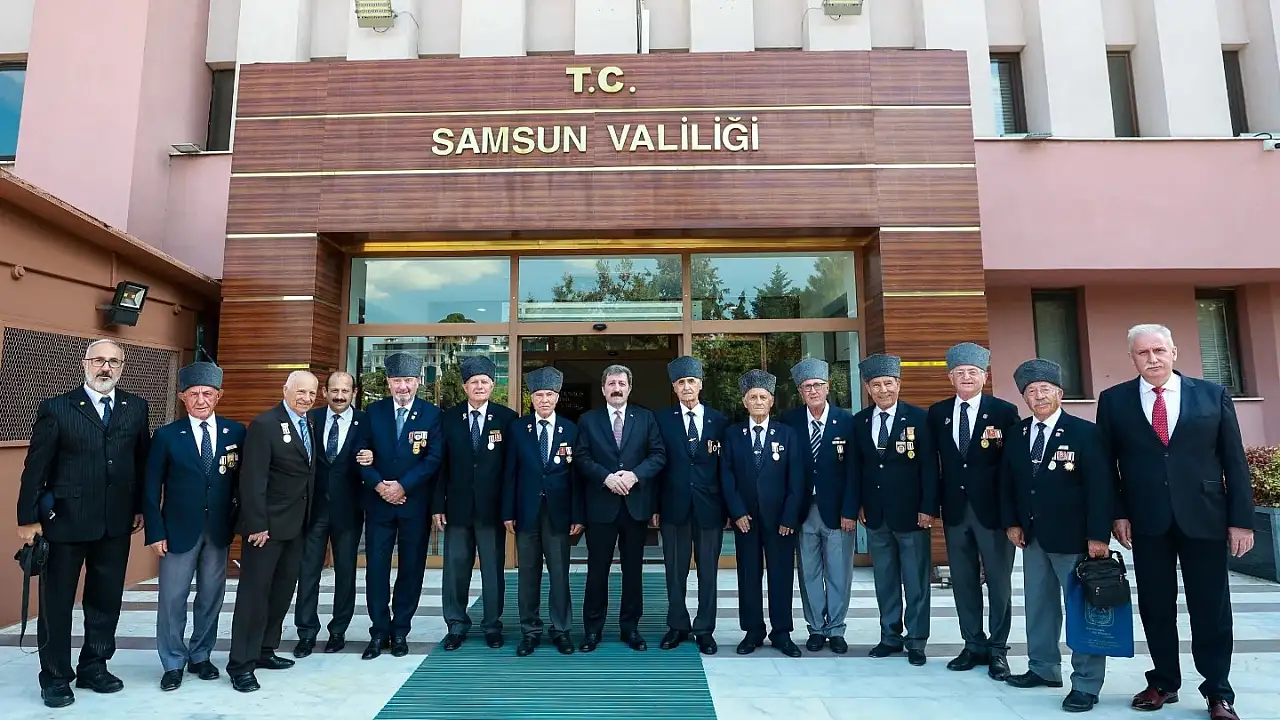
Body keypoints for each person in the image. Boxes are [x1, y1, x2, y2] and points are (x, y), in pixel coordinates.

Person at [1097, 324, 1252, 720]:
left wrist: (1242, 521)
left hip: (1205, 516)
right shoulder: (1114, 401)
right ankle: (1164, 681)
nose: (1152, 359)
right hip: (1147, 519)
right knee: (1155, 605)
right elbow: (1106, 466)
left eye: (1159, 350)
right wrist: (1117, 513)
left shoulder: (1213, 395)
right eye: (1143, 353)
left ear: (1174, 352)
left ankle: (1218, 691)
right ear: (1132, 358)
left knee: (1211, 607)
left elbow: (1234, 461)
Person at [16, 339, 150, 709]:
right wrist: (28, 518)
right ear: (85, 363)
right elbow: (36, 467)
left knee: (106, 600)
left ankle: (94, 665)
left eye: (114, 362)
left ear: (122, 367)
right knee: (57, 604)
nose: (106, 367)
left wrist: (139, 507)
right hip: (64, 522)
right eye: (99, 360)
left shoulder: (136, 407)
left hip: (115, 522)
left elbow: (141, 462)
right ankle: (55, 676)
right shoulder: (57, 407)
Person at [1001, 358, 1113, 713]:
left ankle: (1086, 684)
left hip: (1074, 538)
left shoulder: (1085, 432)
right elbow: (1008, 483)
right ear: (1024, 398)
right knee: (1039, 605)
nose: (1039, 396)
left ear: (1060, 394)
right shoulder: (1018, 434)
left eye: (1045, 390)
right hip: (1032, 537)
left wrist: (1098, 535)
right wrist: (1012, 522)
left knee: (1081, 610)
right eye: (1031, 391)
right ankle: (1043, 668)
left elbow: (1101, 487)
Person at [143, 362, 244, 691]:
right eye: (194, 394)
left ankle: (201, 655)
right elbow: (151, 487)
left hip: (218, 530)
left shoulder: (235, 432)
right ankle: (173, 661)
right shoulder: (167, 435)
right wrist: (155, 531)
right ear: (182, 397)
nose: (201, 400)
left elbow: (241, 483)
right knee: (172, 598)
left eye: (207, 394)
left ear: (219, 395)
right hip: (177, 531)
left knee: (212, 596)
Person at [927, 342, 1019, 679]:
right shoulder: (938, 413)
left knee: (998, 583)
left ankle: (998, 649)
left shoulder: (1004, 412)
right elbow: (931, 464)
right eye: (960, 372)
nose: (966, 377)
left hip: (993, 513)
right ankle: (973, 644)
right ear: (950, 377)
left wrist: (1013, 515)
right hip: (955, 510)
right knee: (964, 582)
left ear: (985, 375)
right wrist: (931, 506)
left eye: (973, 372)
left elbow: (1013, 467)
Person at [226, 371, 319, 692]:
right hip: (265, 529)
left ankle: (265, 650)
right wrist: (257, 524)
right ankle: (241, 664)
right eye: (300, 391)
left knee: (281, 593)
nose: (306, 398)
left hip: (296, 526)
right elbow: (252, 478)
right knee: (253, 596)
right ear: (285, 390)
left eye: (311, 393)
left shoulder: (308, 424)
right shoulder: (265, 425)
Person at [851, 353, 938, 666]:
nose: (883, 390)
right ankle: (890, 636)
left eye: (888, 383)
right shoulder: (860, 421)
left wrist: (928, 507)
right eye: (876, 385)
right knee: (885, 580)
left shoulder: (919, 418)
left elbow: (930, 467)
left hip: (912, 514)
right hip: (876, 515)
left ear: (899, 384)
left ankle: (916, 641)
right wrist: (859, 504)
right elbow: (858, 468)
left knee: (916, 581)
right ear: (867, 388)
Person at [575, 364, 667, 652]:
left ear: (630, 388)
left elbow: (658, 455)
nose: (617, 388)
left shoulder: (646, 418)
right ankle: (592, 630)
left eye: (621, 383)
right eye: (612, 383)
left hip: (634, 505)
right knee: (597, 571)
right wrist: (606, 477)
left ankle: (631, 629)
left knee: (633, 571)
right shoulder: (588, 420)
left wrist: (634, 475)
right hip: (601, 507)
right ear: (603, 389)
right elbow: (581, 457)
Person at [359, 352, 443, 659]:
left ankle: (400, 630)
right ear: (388, 383)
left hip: (413, 505)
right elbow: (360, 453)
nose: (403, 387)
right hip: (379, 504)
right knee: (376, 569)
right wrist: (380, 486)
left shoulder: (432, 415)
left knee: (411, 568)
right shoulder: (373, 412)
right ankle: (378, 631)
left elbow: (433, 458)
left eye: (408, 380)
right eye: (397, 381)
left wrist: (403, 486)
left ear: (418, 382)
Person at [436, 356, 518, 650]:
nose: (479, 386)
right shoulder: (447, 418)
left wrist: (509, 509)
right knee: (455, 571)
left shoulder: (507, 419)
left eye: (484, 382)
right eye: (474, 382)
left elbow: (511, 470)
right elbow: (440, 466)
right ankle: (456, 625)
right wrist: (437, 505)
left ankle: (492, 626)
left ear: (493, 386)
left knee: (493, 572)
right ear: (464, 387)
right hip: (457, 510)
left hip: (492, 510)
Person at [721, 369, 803, 658]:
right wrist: (737, 512)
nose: (758, 402)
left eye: (763, 397)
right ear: (744, 402)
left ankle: (781, 632)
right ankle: (752, 630)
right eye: (753, 397)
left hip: (780, 521)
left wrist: (790, 516)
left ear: (771, 401)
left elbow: (797, 478)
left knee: (781, 575)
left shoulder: (787, 434)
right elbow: (726, 476)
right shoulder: (733, 434)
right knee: (748, 575)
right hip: (746, 520)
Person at [502, 366, 583, 656]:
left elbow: (577, 477)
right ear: (531, 398)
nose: (544, 400)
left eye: (549, 395)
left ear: (557, 397)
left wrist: (578, 515)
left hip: (559, 513)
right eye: (539, 395)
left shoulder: (571, 429)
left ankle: (561, 630)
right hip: (526, 512)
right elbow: (510, 473)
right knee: (528, 574)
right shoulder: (518, 429)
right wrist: (507, 511)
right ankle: (530, 631)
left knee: (559, 573)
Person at [784, 357, 858, 654]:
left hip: (838, 511)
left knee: (839, 572)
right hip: (804, 510)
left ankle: (836, 629)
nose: (812, 391)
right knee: (809, 572)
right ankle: (815, 628)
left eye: (817, 385)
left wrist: (850, 510)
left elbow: (854, 471)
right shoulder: (790, 421)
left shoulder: (847, 421)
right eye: (806, 387)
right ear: (800, 391)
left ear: (828, 387)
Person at [655, 356, 728, 655]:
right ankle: (677, 625)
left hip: (710, 507)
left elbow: (726, 468)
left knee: (708, 571)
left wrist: (728, 508)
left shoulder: (719, 420)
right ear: (674, 387)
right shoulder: (661, 420)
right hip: (673, 506)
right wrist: (655, 506)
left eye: (691, 382)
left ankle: (705, 629)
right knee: (675, 570)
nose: (686, 387)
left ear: (700, 385)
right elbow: (657, 464)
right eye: (681, 382)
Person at [294, 371, 370, 657]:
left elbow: (377, 454)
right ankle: (306, 632)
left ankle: (338, 631)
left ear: (354, 393)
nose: (339, 396)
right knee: (308, 572)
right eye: (334, 390)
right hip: (313, 510)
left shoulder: (366, 422)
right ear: (324, 392)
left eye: (345, 391)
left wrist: (372, 457)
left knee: (346, 573)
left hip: (349, 510)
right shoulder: (310, 419)